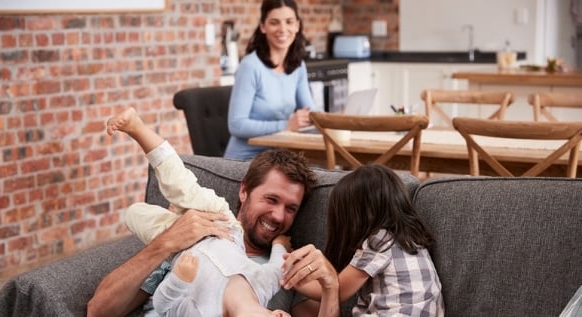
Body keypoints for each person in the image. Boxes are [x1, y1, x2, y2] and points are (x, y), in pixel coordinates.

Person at [87, 108, 340, 317]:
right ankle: (139, 129)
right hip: (216, 226)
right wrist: (167, 243)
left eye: (290, 209)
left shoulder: (288, 270)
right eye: (270, 199)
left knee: (144, 212)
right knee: (168, 196)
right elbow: (98, 312)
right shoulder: (196, 231)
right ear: (244, 192)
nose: (277, 215)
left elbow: (170, 305)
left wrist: (331, 285)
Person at [281, 164, 444, 316]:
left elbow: (338, 290)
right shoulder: (411, 239)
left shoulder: (379, 241)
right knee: (303, 308)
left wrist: (288, 276)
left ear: (357, 216)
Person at [223, 0, 320, 161]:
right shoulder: (250, 66)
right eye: (274, 23)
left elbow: (311, 111)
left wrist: (332, 121)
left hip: (277, 158)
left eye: (289, 22)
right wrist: (286, 125)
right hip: (244, 162)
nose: (283, 29)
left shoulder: (298, 66)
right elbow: (237, 125)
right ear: (263, 26)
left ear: (297, 25)